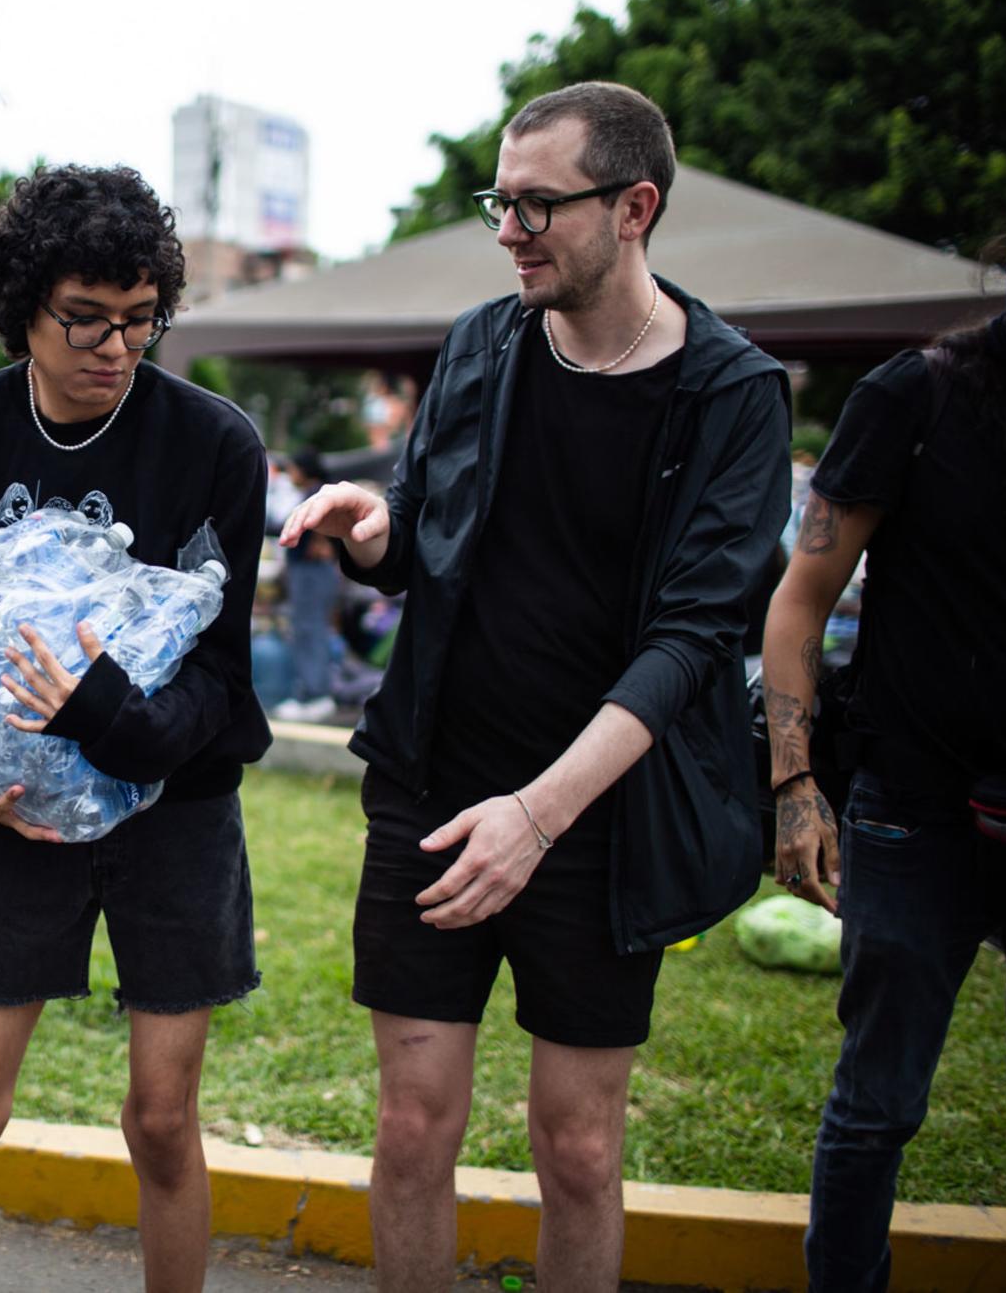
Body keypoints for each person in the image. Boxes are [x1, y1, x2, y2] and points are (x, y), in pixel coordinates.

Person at [282, 83, 790, 1290]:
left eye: (533, 206)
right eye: (497, 203)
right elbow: (423, 539)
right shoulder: (480, 339)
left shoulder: (730, 395)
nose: (506, 230)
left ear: (633, 206)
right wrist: (370, 529)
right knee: (409, 1129)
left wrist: (538, 813)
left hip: (596, 819)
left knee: (575, 1149)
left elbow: (688, 642)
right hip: (433, 789)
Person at [0, 164, 271, 1293]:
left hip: (178, 807)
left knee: (160, 1118)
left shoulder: (214, 441)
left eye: (140, 320)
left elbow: (215, 672)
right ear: (23, 310)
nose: (115, 346)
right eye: (86, 319)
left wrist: (107, 713)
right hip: (22, 815)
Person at [765, 179, 1006, 1290]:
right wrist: (793, 786)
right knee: (876, 1101)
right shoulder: (915, 393)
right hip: (912, 809)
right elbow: (798, 600)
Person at [273, 447, 341, 723]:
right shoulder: (313, 494)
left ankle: (315, 694)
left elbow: (323, 536)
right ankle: (311, 692)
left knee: (309, 629)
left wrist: (322, 546)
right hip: (309, 572)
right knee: (308, 629)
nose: (290, 473)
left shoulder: (318, 496)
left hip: (313, 572)